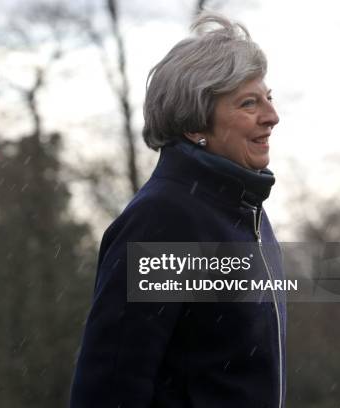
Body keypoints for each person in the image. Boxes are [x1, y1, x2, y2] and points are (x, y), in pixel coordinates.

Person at [71, 13, 285, 408]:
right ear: (194, 125)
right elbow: (111, 387)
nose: (271, 116)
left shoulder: (245, 209)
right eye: (249, 103)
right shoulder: (165, 220)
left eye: (268, 98)